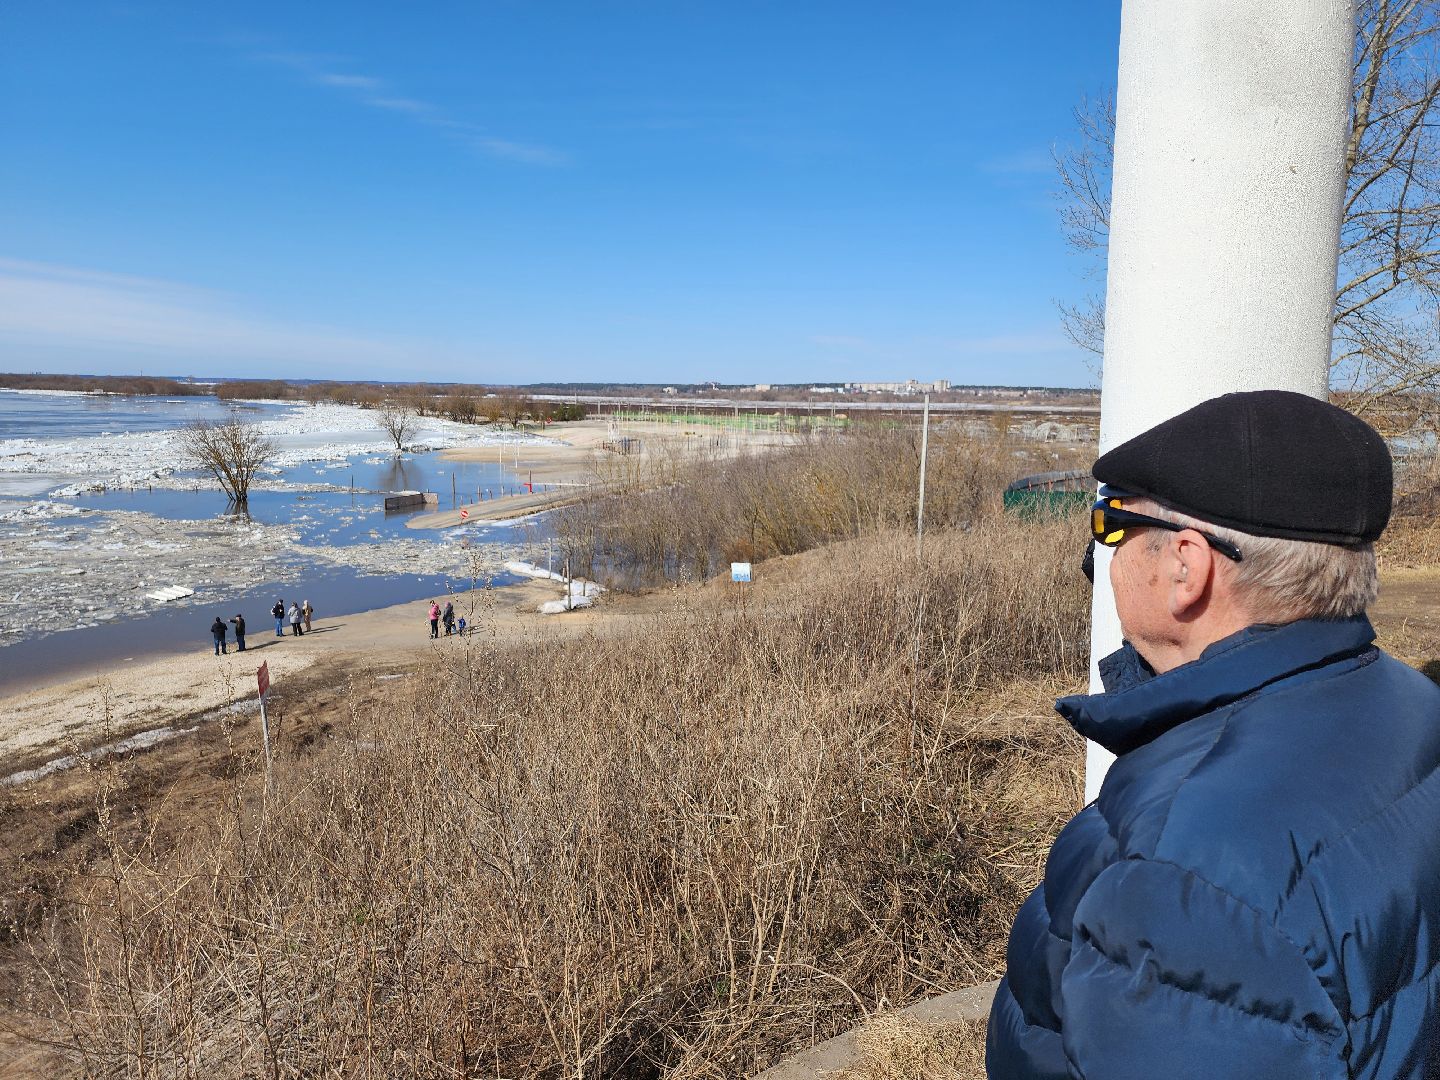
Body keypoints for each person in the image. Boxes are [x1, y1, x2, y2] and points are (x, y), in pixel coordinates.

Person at [987, 390, 1440, 1078]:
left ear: (1186, 567)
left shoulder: (1189, 882)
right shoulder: (1407, 700)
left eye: (1113, 526)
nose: (1103, 556)